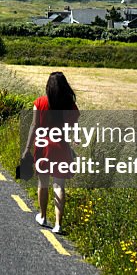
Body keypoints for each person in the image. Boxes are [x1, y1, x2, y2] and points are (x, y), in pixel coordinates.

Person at [23, 71, 78, 234]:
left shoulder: (39, 102)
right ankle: (58, 225)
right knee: (59, 186)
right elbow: (73, 127)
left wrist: (26, 148)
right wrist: (74, 141)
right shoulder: (70, 105)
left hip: (42, 147)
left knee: (43, 183)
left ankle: (43, 216)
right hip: (61, 147)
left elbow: (34, 126)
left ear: (48, 86)